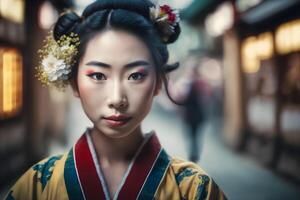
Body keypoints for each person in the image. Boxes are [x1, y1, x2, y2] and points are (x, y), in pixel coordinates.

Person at [5, 0, 226, 199]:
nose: (117, 99)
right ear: (74, 83)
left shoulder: (194, 188)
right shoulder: (38, 185)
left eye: (136, 76)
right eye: (98, 76)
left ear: (158, 82)